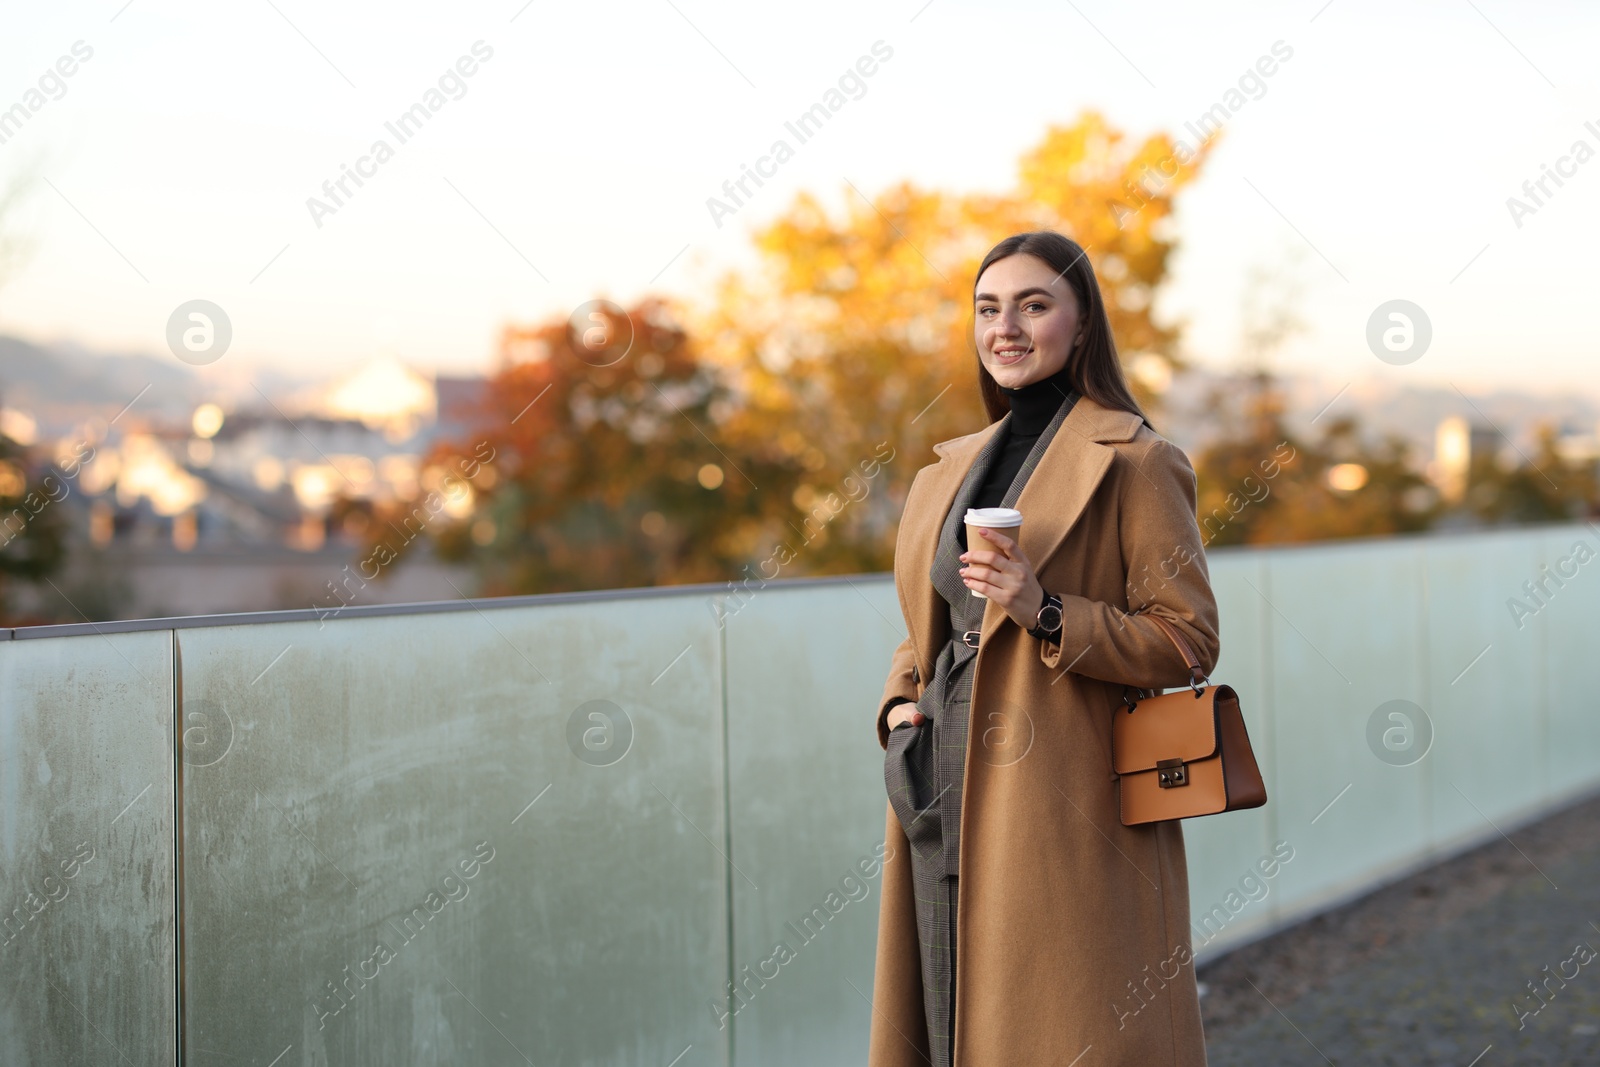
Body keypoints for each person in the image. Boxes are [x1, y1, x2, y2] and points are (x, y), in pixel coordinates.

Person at [870, 230, 1219, 1066]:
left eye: (1034, 304)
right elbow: (925, 623)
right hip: (935, 776)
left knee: (1054, 1026)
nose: (1007, 328)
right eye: (989, 308)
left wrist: (1044, 607)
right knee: (946, 1018)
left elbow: (1189, 641)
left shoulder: (1136, 462)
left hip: (1062, 802)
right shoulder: (947, 470)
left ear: (1082, 323)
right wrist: (896, 706)